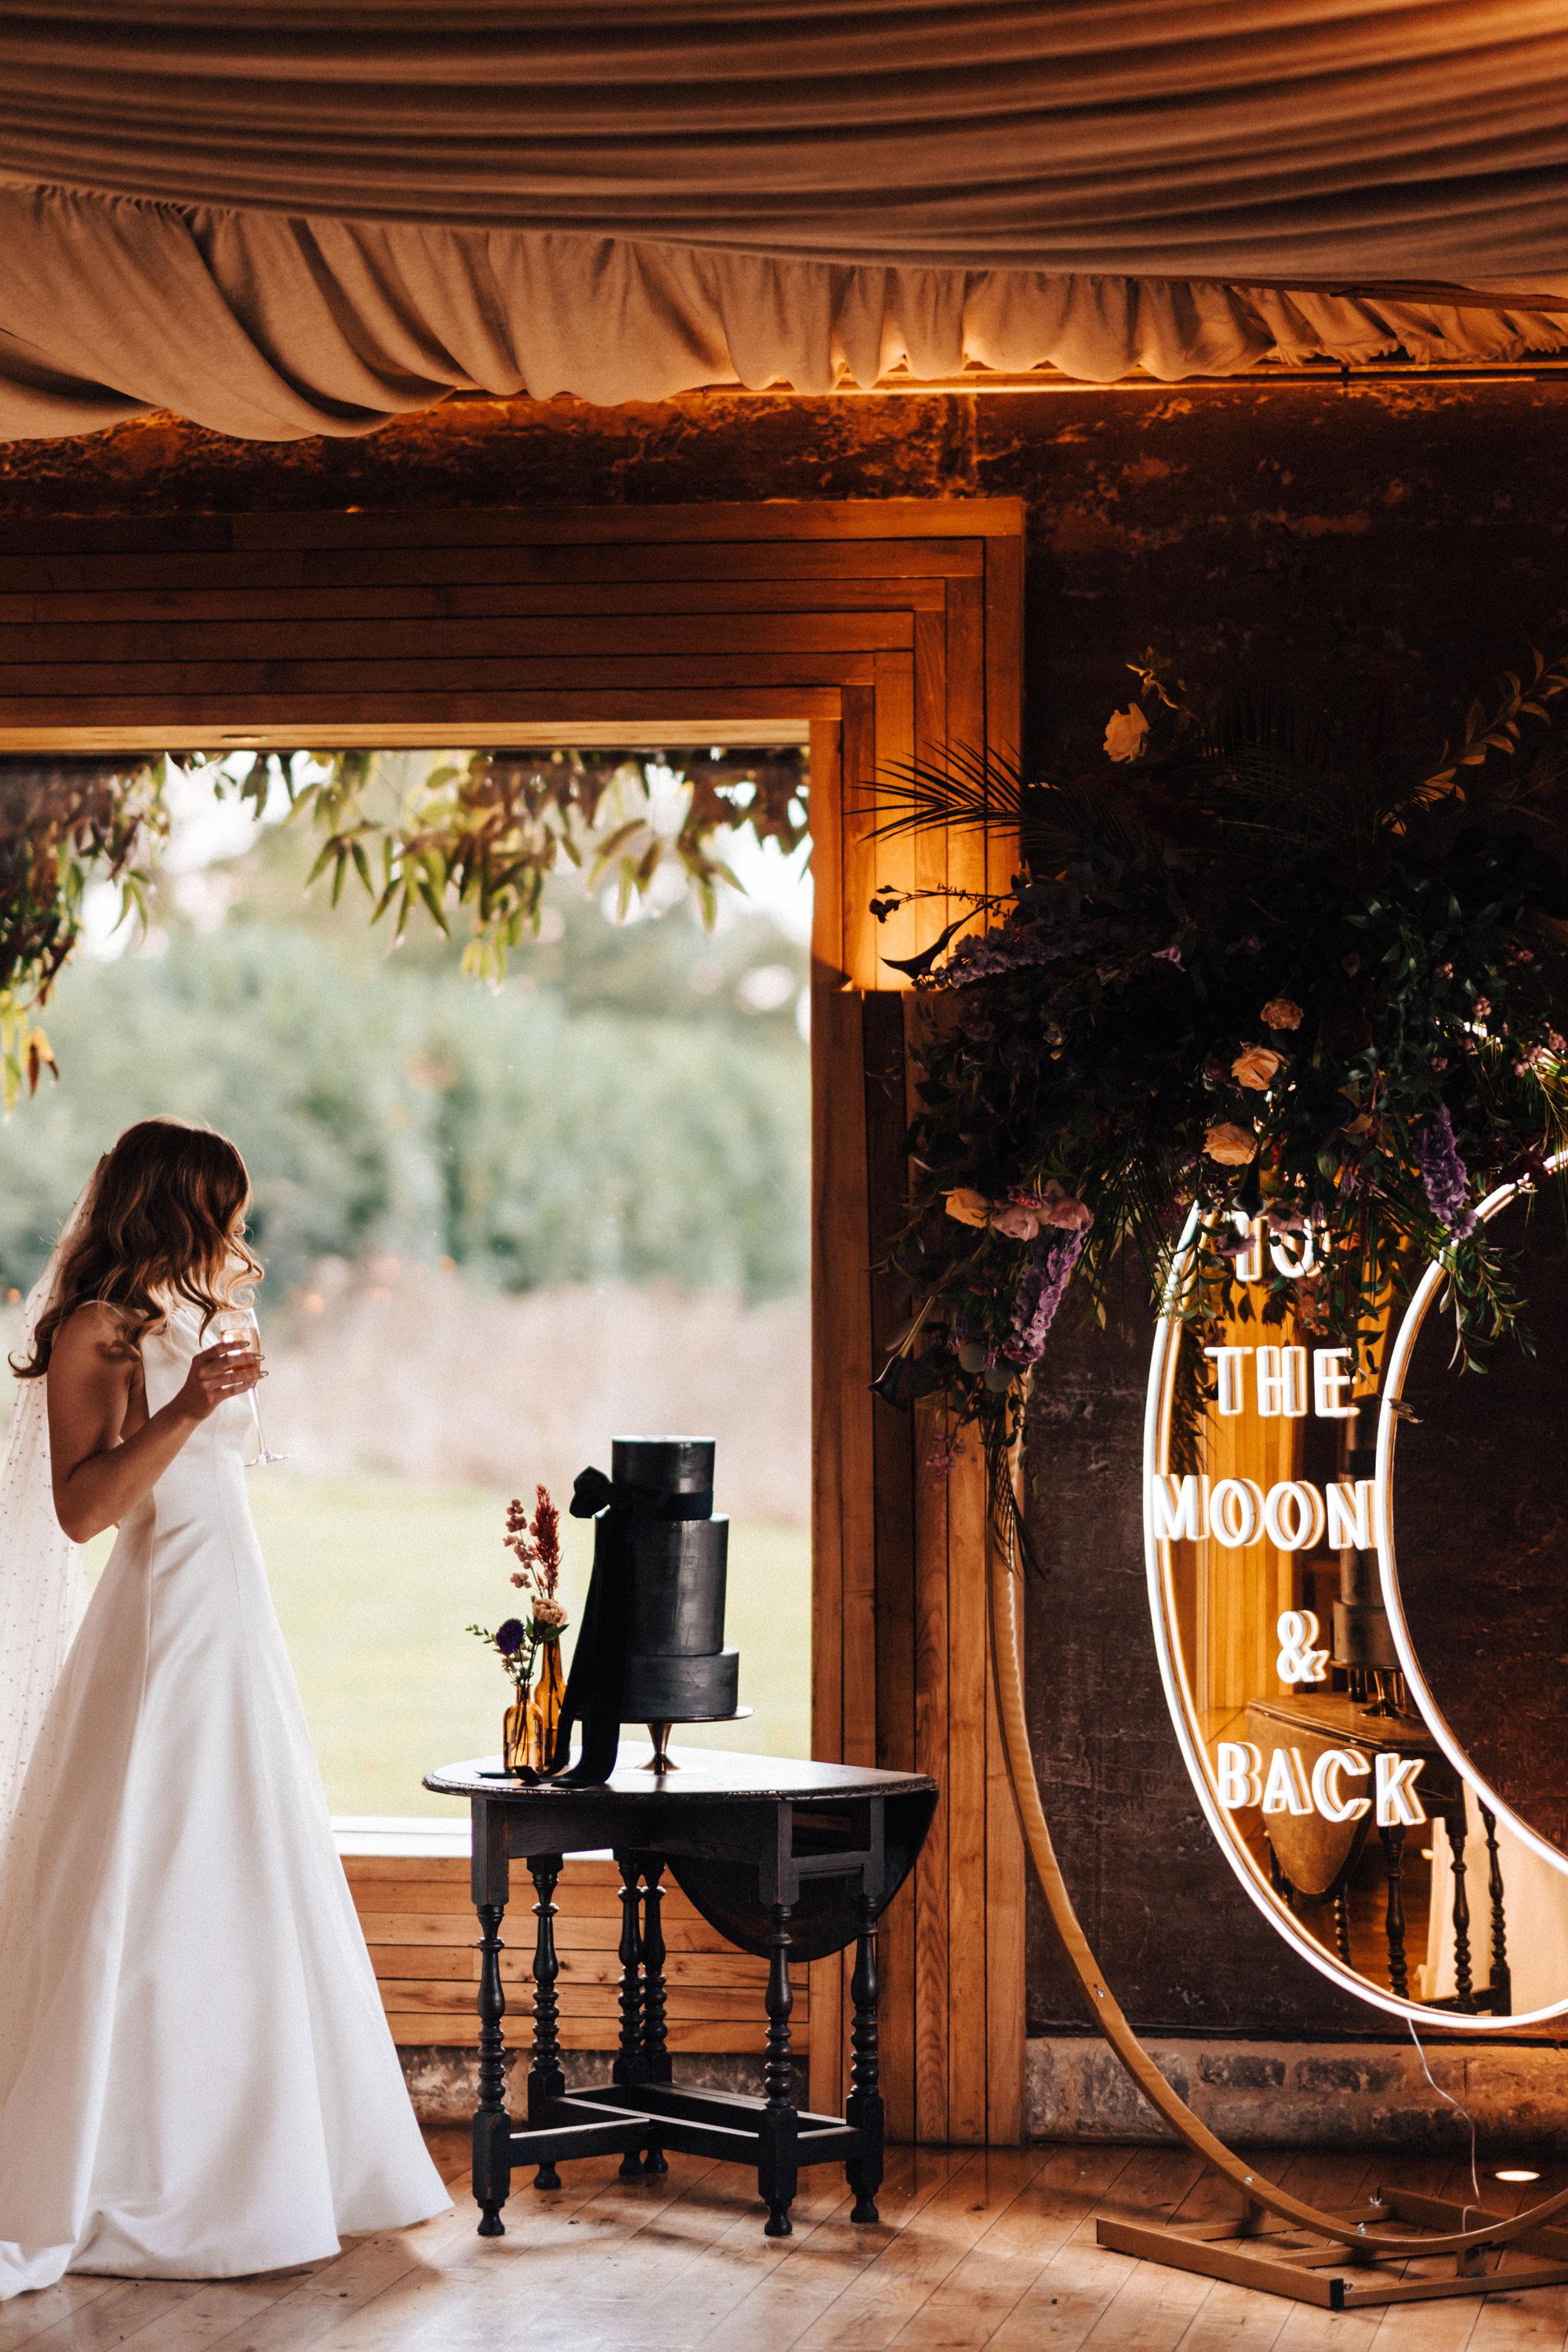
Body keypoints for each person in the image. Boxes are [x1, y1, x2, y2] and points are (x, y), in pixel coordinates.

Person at [0, 1118, 448, 2297]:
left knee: (251, 1870)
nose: (233, 1228)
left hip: (236, 1620)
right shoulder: (97, 1331)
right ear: (169, 1203)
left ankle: (271, 2164)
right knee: (144, 1877)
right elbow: (85, 1510)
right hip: (157, 1631)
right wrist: (189, 1404)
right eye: (218, 1205)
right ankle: (122, 2168)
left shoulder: (212, 1317)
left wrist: (208, 1381)